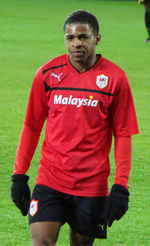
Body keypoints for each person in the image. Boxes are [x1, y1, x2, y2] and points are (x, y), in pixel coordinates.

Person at [10, 10, 139, 246]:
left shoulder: (115, 79)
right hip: (50, 179)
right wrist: (19, 175)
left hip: (91, 184)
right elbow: (31, 126)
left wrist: (121, 186)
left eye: (83, 37)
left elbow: (123, 135)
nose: (76, 43)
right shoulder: (47, 74)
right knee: (40, 243)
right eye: (70, 38)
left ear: (97, 38)